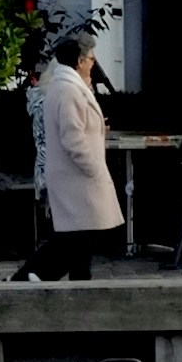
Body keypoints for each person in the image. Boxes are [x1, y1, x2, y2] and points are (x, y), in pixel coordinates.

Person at [30, 30, 129, 280]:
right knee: (79, 238)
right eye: (92, 58)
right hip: (77, 178)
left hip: (73, 177)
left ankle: (41, 277)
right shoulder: (69, 90)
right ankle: (35, 276)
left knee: (78, 239)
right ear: (80, 61)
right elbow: (72, 137)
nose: (94, 63)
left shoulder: (69, 87)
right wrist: (93, 168)